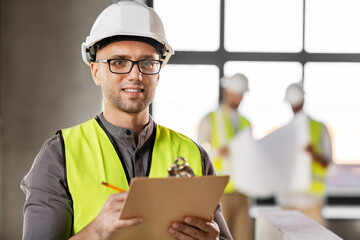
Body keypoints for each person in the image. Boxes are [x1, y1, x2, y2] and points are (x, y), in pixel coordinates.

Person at [20, 2, 232, 240]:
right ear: (96, 72)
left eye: (147, 62)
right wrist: (95, 232)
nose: (135, 75)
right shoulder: (60, 154)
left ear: (159, 73)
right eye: (119, 62)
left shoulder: (193, 154)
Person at [197, 73, 252, 240]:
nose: (238, 98)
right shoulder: (210, 119)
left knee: (243, 235)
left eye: (241, 95)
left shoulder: (245, 122)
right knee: (221, 237)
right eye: (236, 94)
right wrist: (217, 153)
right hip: (221, 190)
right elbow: (199, 153)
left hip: (244, 189)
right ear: (226, 92)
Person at [280, 82, 332, 225]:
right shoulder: (285, 132)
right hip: (289, 200)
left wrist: (314, 155)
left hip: (312, 202)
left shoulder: (319, 128)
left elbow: (330, 166)